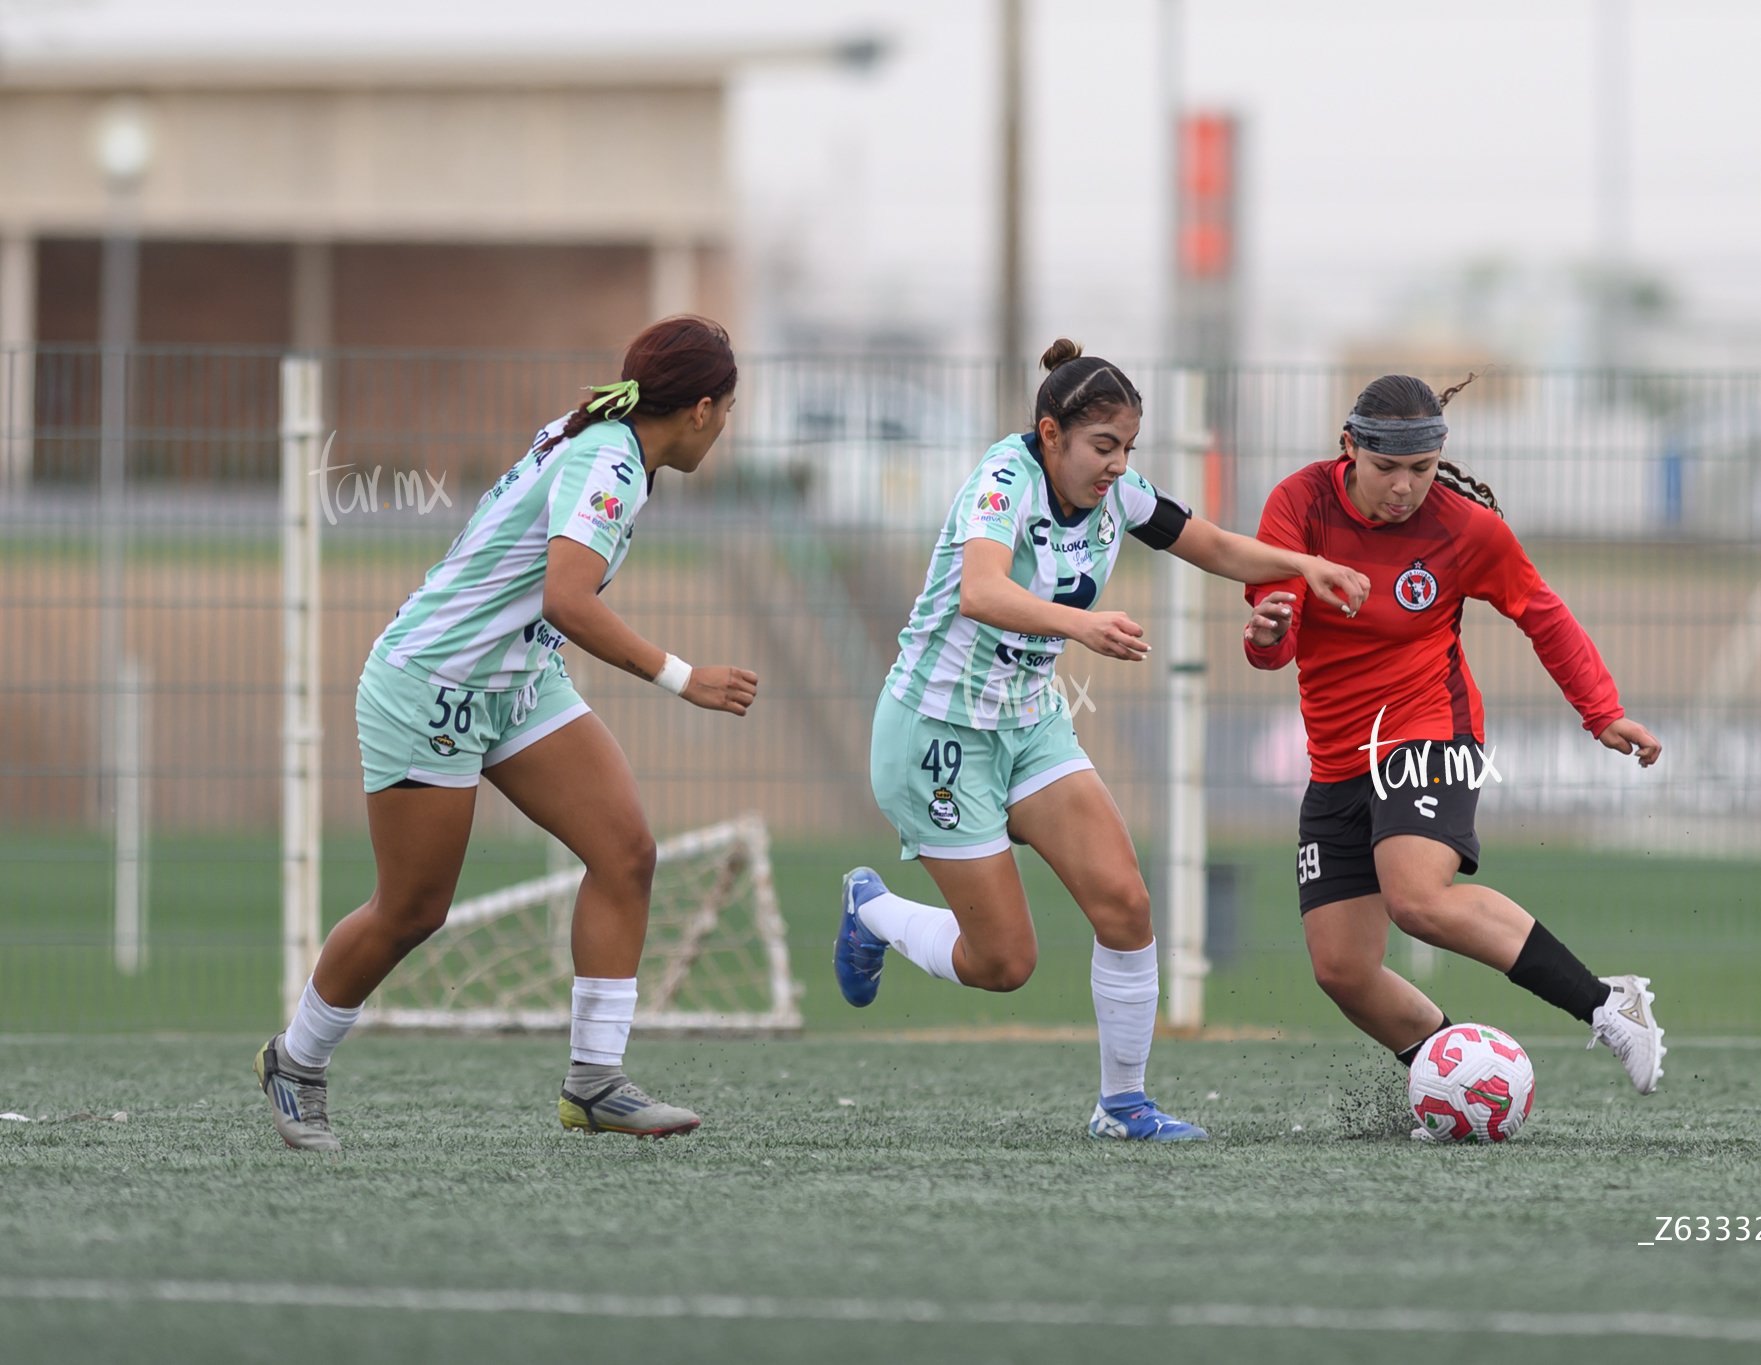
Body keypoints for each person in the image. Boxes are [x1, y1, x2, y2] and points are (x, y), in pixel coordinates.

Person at [834, 339, 1370, 1142]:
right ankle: (873, 911)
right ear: (1050, 434)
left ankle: (1122, 1105)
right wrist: (1082, 625)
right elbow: (980, 592)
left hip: (1030, 726)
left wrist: (1307, 565)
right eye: (1103, 446)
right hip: (935, 732)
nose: (1118, 465)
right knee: (1005, 963)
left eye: (1127, 448)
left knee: (1126, 902)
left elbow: (1211, 544)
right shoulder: (1003, 482)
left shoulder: (1119, 493)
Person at [255, 315, 759, 1151]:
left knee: (626, 851)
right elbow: (568, 598)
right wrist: (682, 676)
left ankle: (595, 1081)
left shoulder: (610, 444)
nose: (728, 426)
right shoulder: (607, 459)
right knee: (414, 908)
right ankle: (296, 1061)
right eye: (731, 410)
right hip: (433, 682)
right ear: (701, 410)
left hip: (516, 683)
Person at [1240, 373, 1668, 1099]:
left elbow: (1541, 611)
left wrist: (1602, 711)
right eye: (1386, 469)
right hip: (1337, 758)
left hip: (1426, 732)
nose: (1404, 487)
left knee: (1417, 899)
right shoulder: (1298, 503)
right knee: (1342, 969)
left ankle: (1606, 1002)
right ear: (1349, 449)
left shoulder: (1463, 528)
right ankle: (1462, 1080)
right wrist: (1268, 633)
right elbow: (1273, 644)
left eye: (1422, 469)